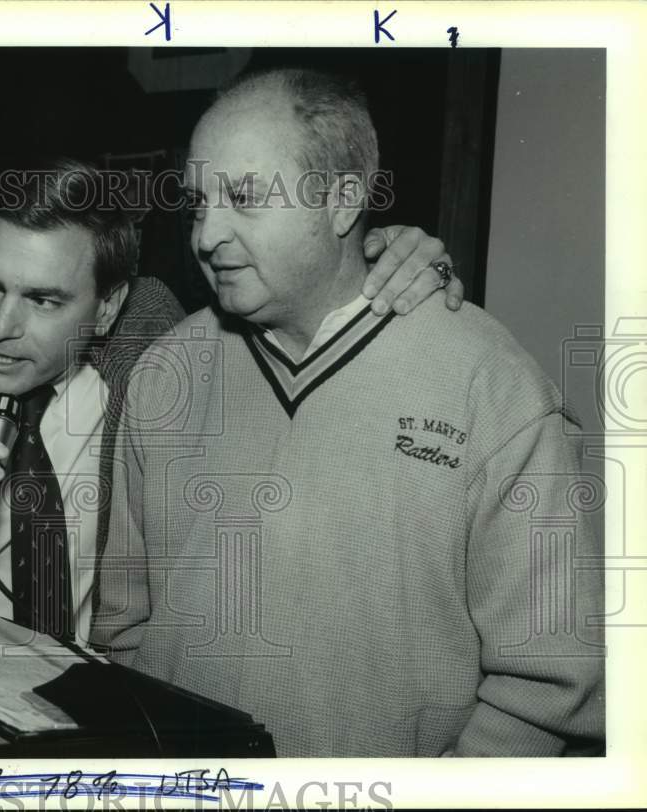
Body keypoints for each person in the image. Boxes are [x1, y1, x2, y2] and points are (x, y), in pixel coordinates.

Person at [0, 157, 460, 644]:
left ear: (106, 310)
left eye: (44, 300)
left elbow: (294, 290)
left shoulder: (157, 328)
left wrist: (382, 255)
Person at [91, 69, 605, 755]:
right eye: (197, 204)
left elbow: (548, 686)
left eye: (244, 197)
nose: (206, 235)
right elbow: (123, 627)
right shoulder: (164, 374)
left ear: (342, 200)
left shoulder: (493, 386)